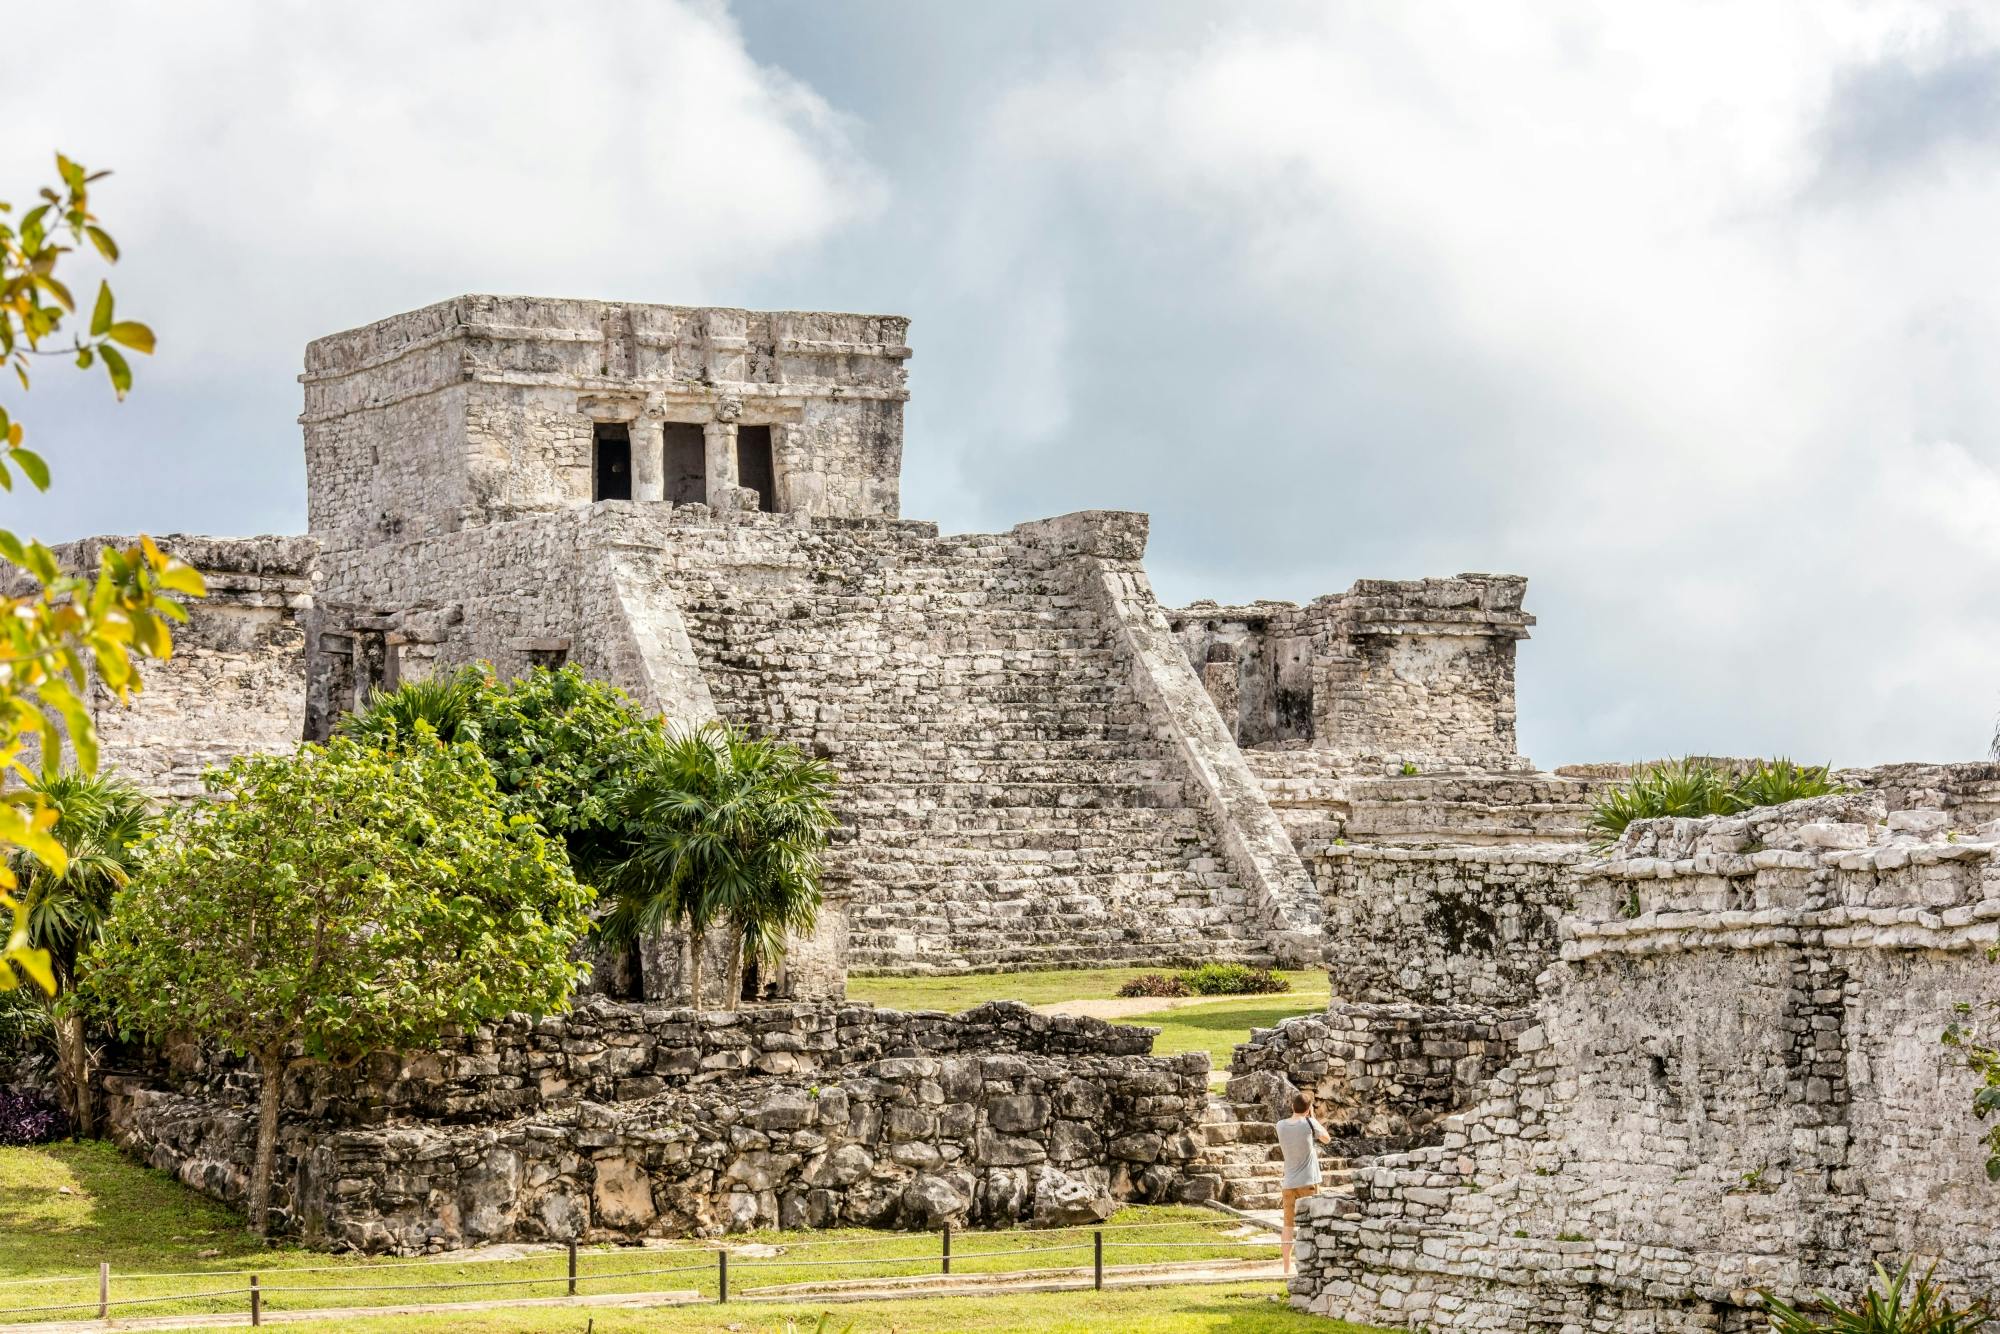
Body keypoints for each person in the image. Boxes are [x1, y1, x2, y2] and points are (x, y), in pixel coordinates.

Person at [1276, 1088, 1330, 1274]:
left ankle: (1286, 1266)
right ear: (1308, 1109)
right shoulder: (1309, 1123)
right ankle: (1313, 1262)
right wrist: (1312, 1117)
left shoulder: (1280, 1125)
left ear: (1292, 1106)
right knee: (1313, 1222)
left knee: (1288, 1225)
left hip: (1289, 1182)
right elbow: (1326, 1138)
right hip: (1308, 1181)